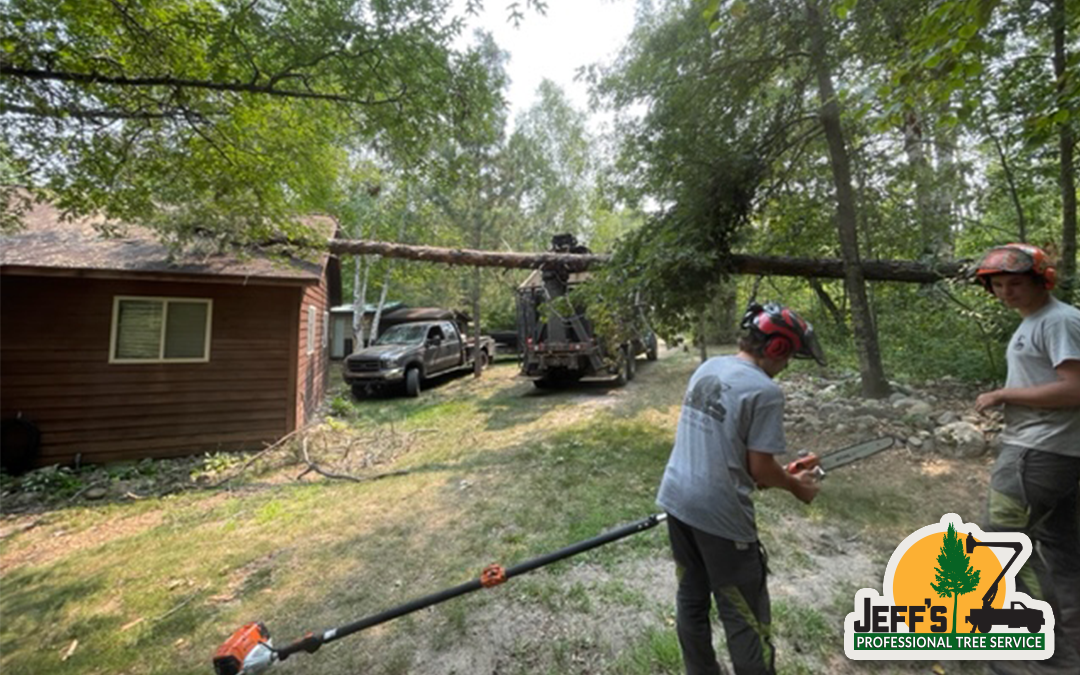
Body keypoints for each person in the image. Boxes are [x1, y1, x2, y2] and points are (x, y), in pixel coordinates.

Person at [656, 302, 825, 675]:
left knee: (691, 597)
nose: (788, 364)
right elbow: (761, 468)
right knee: (743, 615)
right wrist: (797, 487)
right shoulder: (765, 391)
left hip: (677, 499)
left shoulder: (709, 366)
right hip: (720, 516)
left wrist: (770, 475)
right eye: (790, 355)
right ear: (777, 348)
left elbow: (728, 450)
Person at [973, 243, 1080, 673]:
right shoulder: (1041, 322)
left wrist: (1003, 394)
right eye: (997, 285)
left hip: (1036, 454)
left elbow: (1074, 389)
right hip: (1057, 454)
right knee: (1061, 553)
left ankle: (1035, 660)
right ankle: (1069, 654)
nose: (1005, 292)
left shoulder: (1057, 321)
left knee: (1001, 549)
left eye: (1015, 283)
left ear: (1042, 280)